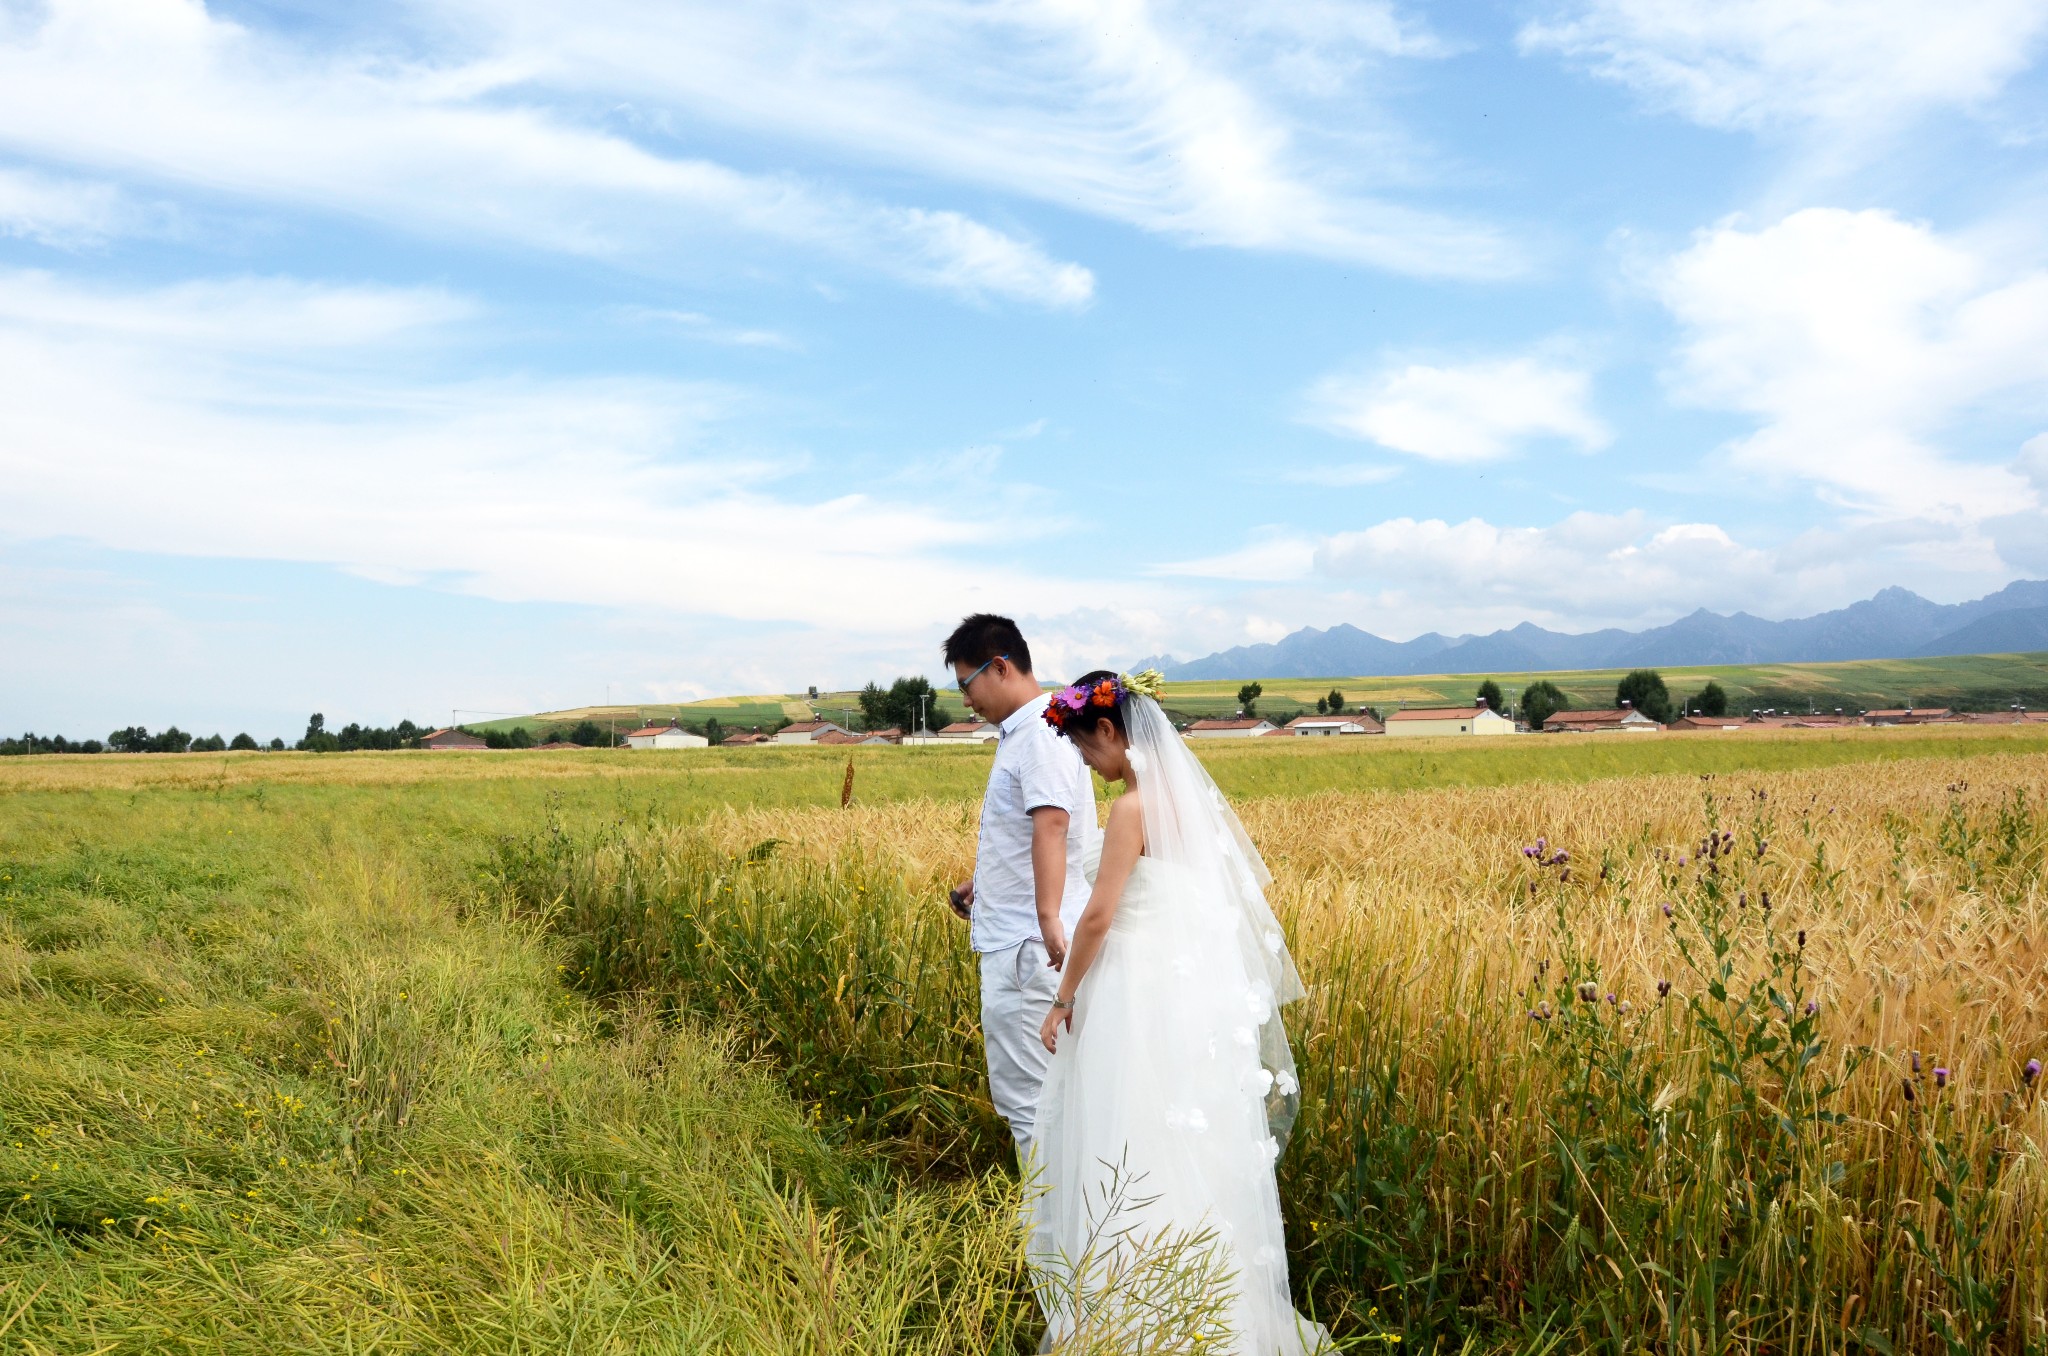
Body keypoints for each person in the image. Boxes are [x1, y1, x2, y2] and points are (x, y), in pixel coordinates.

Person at [1029, 669, 1327, 1353]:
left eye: (1083, 750)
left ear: (1108, 731)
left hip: (1135, 995)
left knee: (1127, 1139)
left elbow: (1100, 916)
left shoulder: (1134, 806)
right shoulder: (1185, 803)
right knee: (1189, 1141)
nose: (1084, 764)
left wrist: (1063, 997)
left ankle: (1134, 1326)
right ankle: (1213, 1315)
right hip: (1185, 1001)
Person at [942, 613, 1098, 1170]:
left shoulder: (1039, 733)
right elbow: (1031, 834)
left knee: (1032, 1106)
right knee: (1034, 1104)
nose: (965, 700)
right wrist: (982, 885)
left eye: (967, 684)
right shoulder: (1031, 731)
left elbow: (1053, 824)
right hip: (1023, 937)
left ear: (1000, 666)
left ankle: (1053, 1252)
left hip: (1030, 950)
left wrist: (1047, 915)